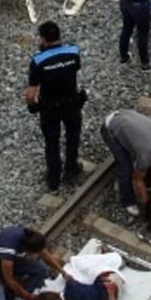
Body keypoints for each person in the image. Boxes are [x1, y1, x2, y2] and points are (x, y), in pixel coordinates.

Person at [25, 21, 86, 191]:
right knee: (72, 137)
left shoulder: (38, 61)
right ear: (59, 35)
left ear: (43, 38)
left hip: (49, 108)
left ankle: (53, 178)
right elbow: (75, 71)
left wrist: (32, 106)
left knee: (52, 142)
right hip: (72, 103)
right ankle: (71, 170)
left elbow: (30, 93)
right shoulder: (73, 52)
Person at [100, 108, 151, 217]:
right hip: (110, 128)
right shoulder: (147, 154)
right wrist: (147, 203)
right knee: (126, 168)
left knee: (142, 164)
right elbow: (138, 179)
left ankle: (145, 184)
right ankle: (127, 201)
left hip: (125, 115)